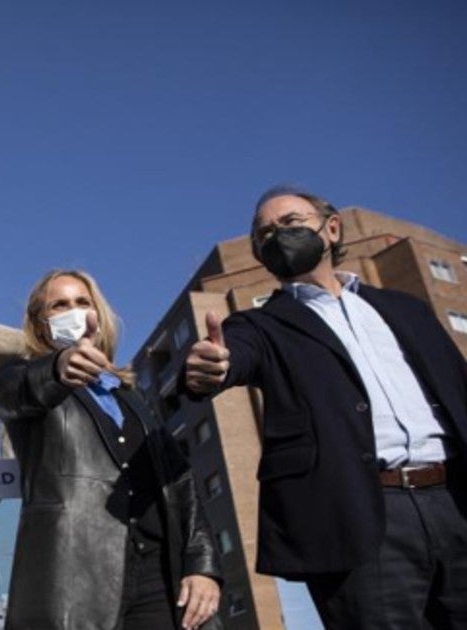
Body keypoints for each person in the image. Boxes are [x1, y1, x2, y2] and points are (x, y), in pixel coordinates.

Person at [184, 186, 467, 628]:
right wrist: (212, 367)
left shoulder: (404, 309)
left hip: (455, 499)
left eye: (290, 223)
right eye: (265, 234)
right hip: (359, 517)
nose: (277, 236)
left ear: (330, 229)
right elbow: (231, 356)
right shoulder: (261, 325)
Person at [0, 269, 222, 630]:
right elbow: (12, 395)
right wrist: (57, 368)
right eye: (59, 305)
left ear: (98, 316)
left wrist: (202, 565)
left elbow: (181, 483)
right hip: (74, 580)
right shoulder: (24, 378)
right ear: (41, 325)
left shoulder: (131, 395)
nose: (74, 310)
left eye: (83, 302)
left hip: (159, 577)